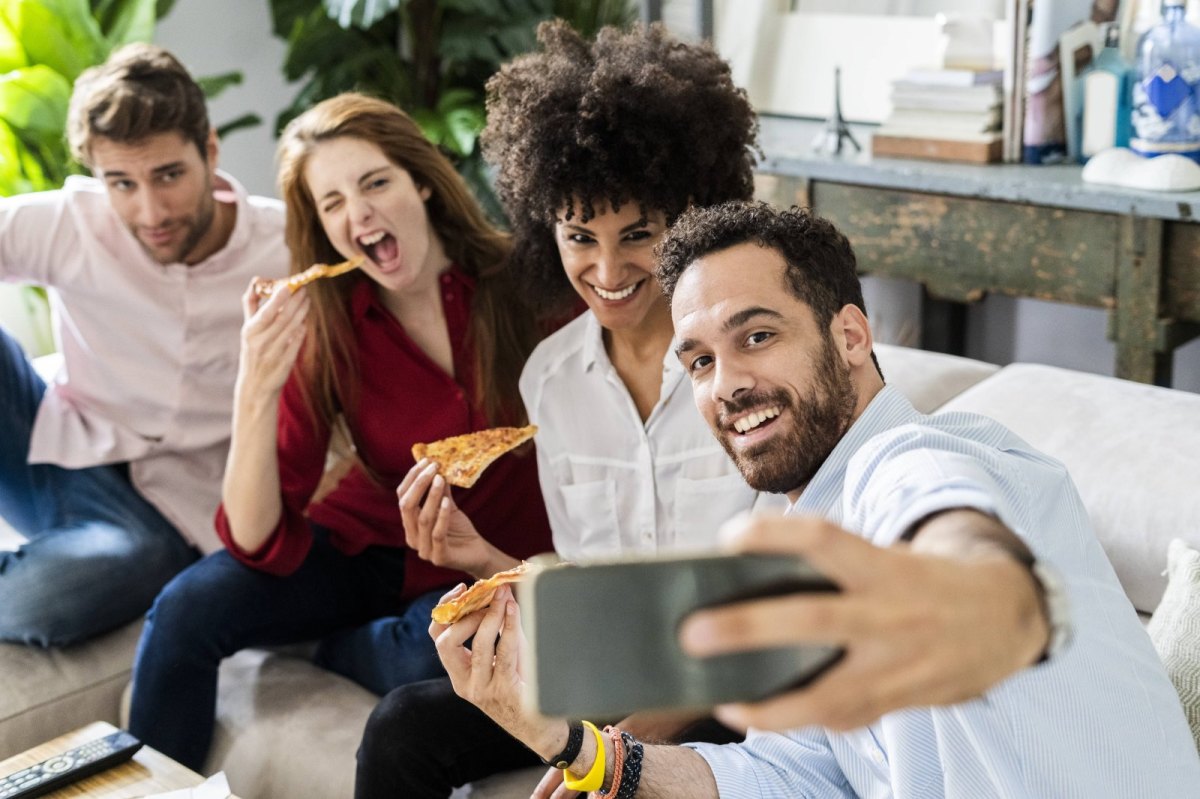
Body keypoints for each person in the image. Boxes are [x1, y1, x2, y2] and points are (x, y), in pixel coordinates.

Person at [432, 201, 1200, 797]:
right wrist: (576, 746)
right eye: (698, 360)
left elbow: (959, 536)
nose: (725, 382)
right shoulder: (793, 524)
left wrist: (979, 607)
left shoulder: (925, 458)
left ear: (852, 337)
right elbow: (789, 775)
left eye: (757, 335)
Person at [354, 21, 773, 799]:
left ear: (690, 213)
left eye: (638, 234)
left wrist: (616, 750)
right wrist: (480, 556)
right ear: (547, 227)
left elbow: (766, 606)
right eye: (580, 236)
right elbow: (585, 590)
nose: (607, 270)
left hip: (733, 685)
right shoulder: (551, 376)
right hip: (606, 670)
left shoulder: (752, 373)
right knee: (401, 726)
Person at [127, 92, 554, 771]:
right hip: (368, 544)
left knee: (433, 653)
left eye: (375, 182)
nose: (359, 215)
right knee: (185, 608)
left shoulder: (530, 288)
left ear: (420, 178)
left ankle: (340, 645)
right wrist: (255, 385)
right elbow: (257, 536)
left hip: (481, 564)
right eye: (332, 203)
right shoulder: (329, 320)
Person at [0, 43, 288, 647]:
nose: (149, 210)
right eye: (120, 183)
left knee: (58, 595)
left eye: (168, 176)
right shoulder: (70, 221)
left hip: (168, 514)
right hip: (59, 450)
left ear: (208, 150)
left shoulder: (288, 246)